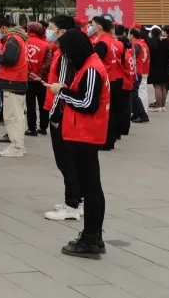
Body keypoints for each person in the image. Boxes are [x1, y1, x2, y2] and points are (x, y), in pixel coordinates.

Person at [45, 26, 109, 258]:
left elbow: (88, 103)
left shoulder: (91, 69)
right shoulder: (87, 65)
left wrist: (62, 93)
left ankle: (90, 239)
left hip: (86, 134)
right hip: (82, 133)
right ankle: (94, 236)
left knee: (91, 188)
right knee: (92, 186)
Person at [43, 15, 83, 222]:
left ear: (63, 32)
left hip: (61, 111)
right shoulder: (61, 52)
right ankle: (77, 199)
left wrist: (56, 114)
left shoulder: (66, 55)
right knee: (69, 160)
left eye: (51, 28)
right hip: (59, 108)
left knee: (66, 160)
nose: (48, 31)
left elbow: (64, 87)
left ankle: (72, 204)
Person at [0, 15, 29, 158]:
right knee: (17, 116)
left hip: (13, 81)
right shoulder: (18, 38)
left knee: (12, 117)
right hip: (17, 81)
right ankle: (17, 145)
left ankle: (17, 146)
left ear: (3, 28)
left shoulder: (12, 39)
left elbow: (10, 59)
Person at [88, 16, 125, 151]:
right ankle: (111, 138)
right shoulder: (114, 42)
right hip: (115, 78)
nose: (90, 27)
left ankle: (106, 141)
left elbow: (95, 61)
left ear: (99, 27)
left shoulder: (101, 43)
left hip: (106, 79)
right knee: (111, 110)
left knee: (104, 111)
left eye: (92, 25)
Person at [24, 22, 50, 136]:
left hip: (28, 80)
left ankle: (32, 128)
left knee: (30, 105)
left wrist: (30, 74)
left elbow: (22, 62)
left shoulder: (24, 43)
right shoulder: (45, 44)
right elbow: (48, 62)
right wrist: (40, 74)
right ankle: (43, 127)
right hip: (42, 80)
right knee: (43, 104)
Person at [147, 26, 169, 111]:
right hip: (165, 67)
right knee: (163, 86)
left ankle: (158, 106)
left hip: (155, 67)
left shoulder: (152, 43)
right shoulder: (166, 42)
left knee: (157, 86)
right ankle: (163, 106)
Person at [128, 27, 151, 124]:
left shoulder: (136, 45)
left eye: (129, 34)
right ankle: (137, 113)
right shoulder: (140, 43)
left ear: (132, 35)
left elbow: (130, 57)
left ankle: (143, 115)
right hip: (138, 71)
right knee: (134, 94)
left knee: (134, 95)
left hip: (136, 72)